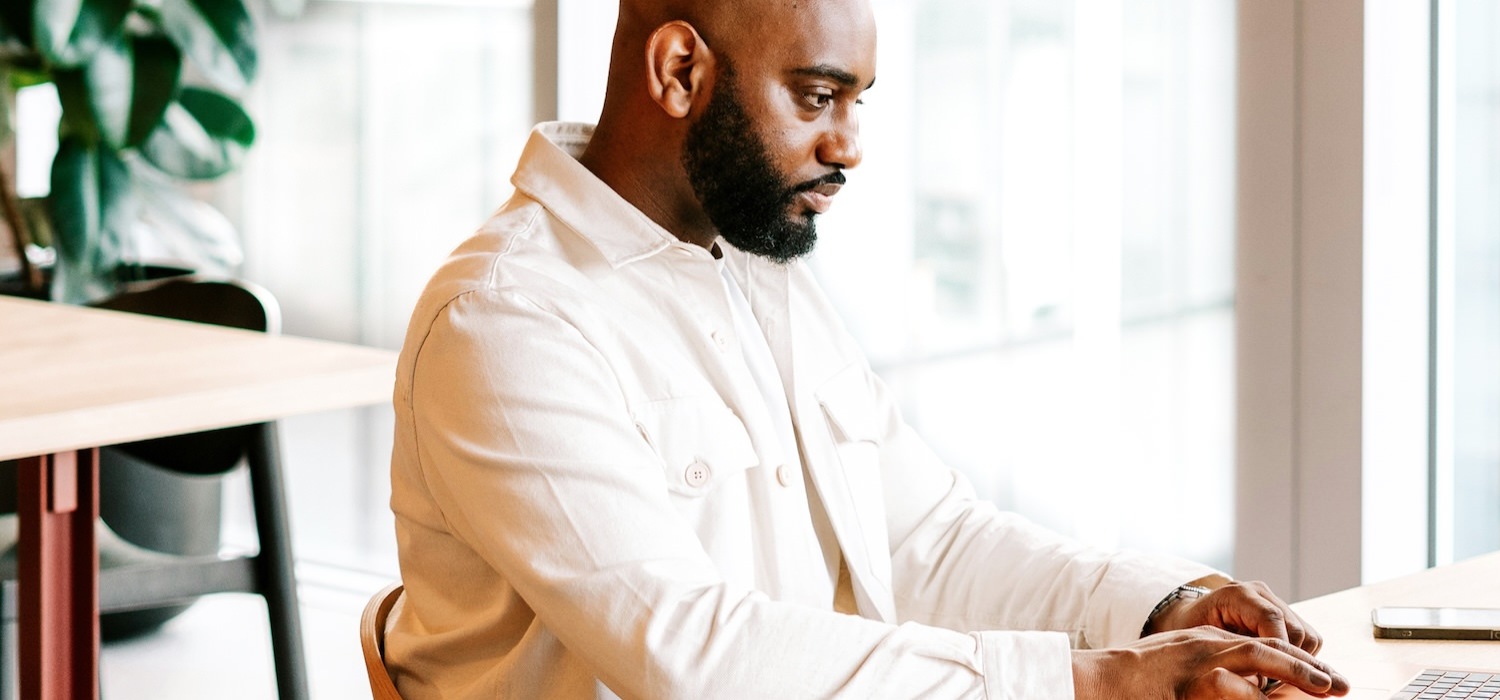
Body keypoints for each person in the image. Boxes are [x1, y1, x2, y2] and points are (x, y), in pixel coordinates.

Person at [386, 1, 1352, 698]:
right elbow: (692, 656)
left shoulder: (757, 272)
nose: (849, 145)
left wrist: (1163, 610)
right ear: (679, 71)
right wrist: (1094, 682)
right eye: (816, 98)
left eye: (858, 103)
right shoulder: (505, 320)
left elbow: (926, 540)